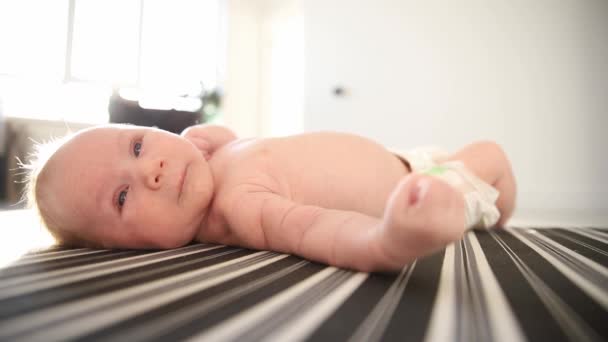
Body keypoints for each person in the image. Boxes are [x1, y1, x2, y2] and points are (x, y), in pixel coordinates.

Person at [24, 124, 516, 272]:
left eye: (136, 145)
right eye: (123, 197)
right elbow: (316, 229)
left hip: (406, 155)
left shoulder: (210, 170)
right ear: (128, 251)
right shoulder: (239, 207)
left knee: (479, 152)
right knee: (489, 157)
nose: (150, 169)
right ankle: (491, 219)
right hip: (423, 190)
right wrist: (388, 239)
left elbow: (262, 151)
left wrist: (224, 140)